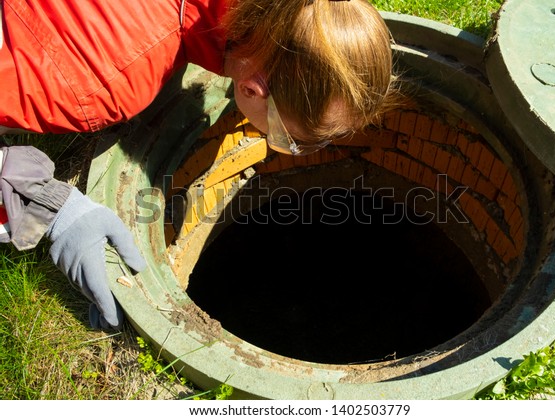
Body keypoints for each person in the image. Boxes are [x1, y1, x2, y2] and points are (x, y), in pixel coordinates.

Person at [0, 0, 402, 329]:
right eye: (288, 139)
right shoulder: (93, 81)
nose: (280, 148)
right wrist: (47, 203)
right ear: (251, 88)